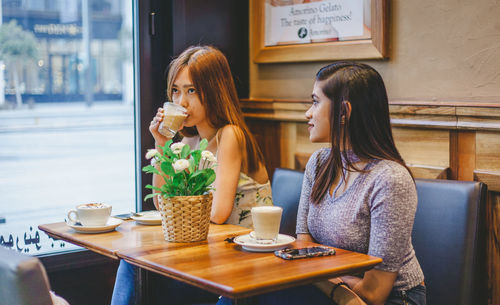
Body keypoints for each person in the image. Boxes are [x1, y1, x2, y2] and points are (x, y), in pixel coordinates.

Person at [218, 62, 426, 305]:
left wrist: (321, 276)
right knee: (240, 294)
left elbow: (374, 293)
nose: (308, 112)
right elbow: (303, 251)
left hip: (392, 299)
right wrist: (332, 284)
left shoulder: (390, 179)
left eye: (315, 102)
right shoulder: (319, 163)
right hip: (330, 290)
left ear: (343, 113)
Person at [111, 45, 272, 305]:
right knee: (132, 260)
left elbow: (218, 214)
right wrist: (162, 142)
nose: (180, 102)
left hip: (245, 257)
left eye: (191, 91)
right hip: (211, 252)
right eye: (175, 91)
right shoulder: (192, 143)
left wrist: (181, 213)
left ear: (215, 91)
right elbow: (162, 203)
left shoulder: (230, 135)